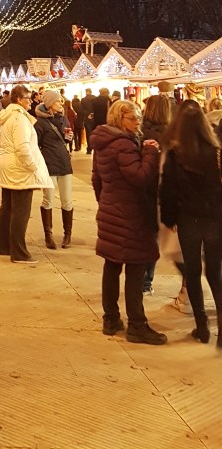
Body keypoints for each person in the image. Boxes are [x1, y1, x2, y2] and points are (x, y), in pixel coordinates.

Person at [91, 99, 166, 345]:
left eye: (138, 118)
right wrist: (150, 152)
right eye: (132, 118)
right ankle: (137, 325)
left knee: (112, 265)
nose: (138, 123)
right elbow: (140, 177)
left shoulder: (103, 142)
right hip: (130, 213)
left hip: (111, 209)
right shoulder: (123, 144)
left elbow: (97, 179)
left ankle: (111, 319)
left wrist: (106, 202)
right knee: (136, 266)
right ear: (119, 119)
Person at [159, 104, 222, 346]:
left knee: (193, 274)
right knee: (215, 274)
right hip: (214, 218)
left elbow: (168, 190)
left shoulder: (176, 154)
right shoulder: (217, 152)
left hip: (188, 220)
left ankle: (202, 326)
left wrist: (169, 219)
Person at [0, 84, 52, 264]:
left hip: (8, 165)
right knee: (20, 211)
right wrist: (33, 166)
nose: (31, 101)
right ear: (19, 100)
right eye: (28, 98)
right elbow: (22, 147)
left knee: (7, 207)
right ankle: (19, 252)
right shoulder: (19, 119)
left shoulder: (9, 116)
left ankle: (4, 246)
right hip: (19, 168)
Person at [140, 93, 173, 294]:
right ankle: (146, 281)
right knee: (156, 239)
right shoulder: (172, 135)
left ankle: (141, 280)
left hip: (142, 190)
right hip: (163, 192)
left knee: (143, 237)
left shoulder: (139, 133)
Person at [35, 90, 74, 248]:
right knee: (48, 200)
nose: (61, 103)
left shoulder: (64, 118)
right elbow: (35, 145)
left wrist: (68, 138)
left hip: (64, 164)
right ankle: (48, 235)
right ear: (50, 104)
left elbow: (66, 137)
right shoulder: (40, 123)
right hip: (49, 164)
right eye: (58, 101)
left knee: (67, 200)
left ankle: (67, 235)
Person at [80, 87, 95, 152]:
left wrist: (87, 114)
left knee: (88, 133)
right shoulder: (95, 98)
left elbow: (81, 109)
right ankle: (95, 146)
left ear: (86, 92)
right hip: (94, 118)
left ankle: (89, 148)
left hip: (87, 118)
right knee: (95, 133)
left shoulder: (83, 100)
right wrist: (92, 114)